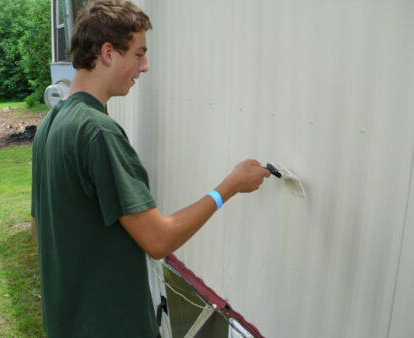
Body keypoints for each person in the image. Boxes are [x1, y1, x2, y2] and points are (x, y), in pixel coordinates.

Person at [31, 0, 270, 337]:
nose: (144, 67)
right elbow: (158, 240)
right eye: (139, 54)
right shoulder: (98, 132)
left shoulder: (51, 123)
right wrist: (229, 186)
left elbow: (39, 230)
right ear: (108, 53)